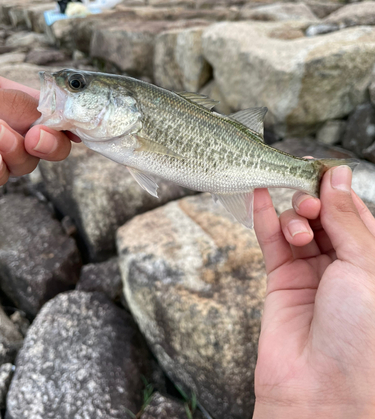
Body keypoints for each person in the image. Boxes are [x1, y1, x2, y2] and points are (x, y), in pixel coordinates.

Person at [1, 77, 375, 418]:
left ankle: (315, 177)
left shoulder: (125, 132)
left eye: (77, 85)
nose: (63, 86)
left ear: (125, 104)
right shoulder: (111, 133)